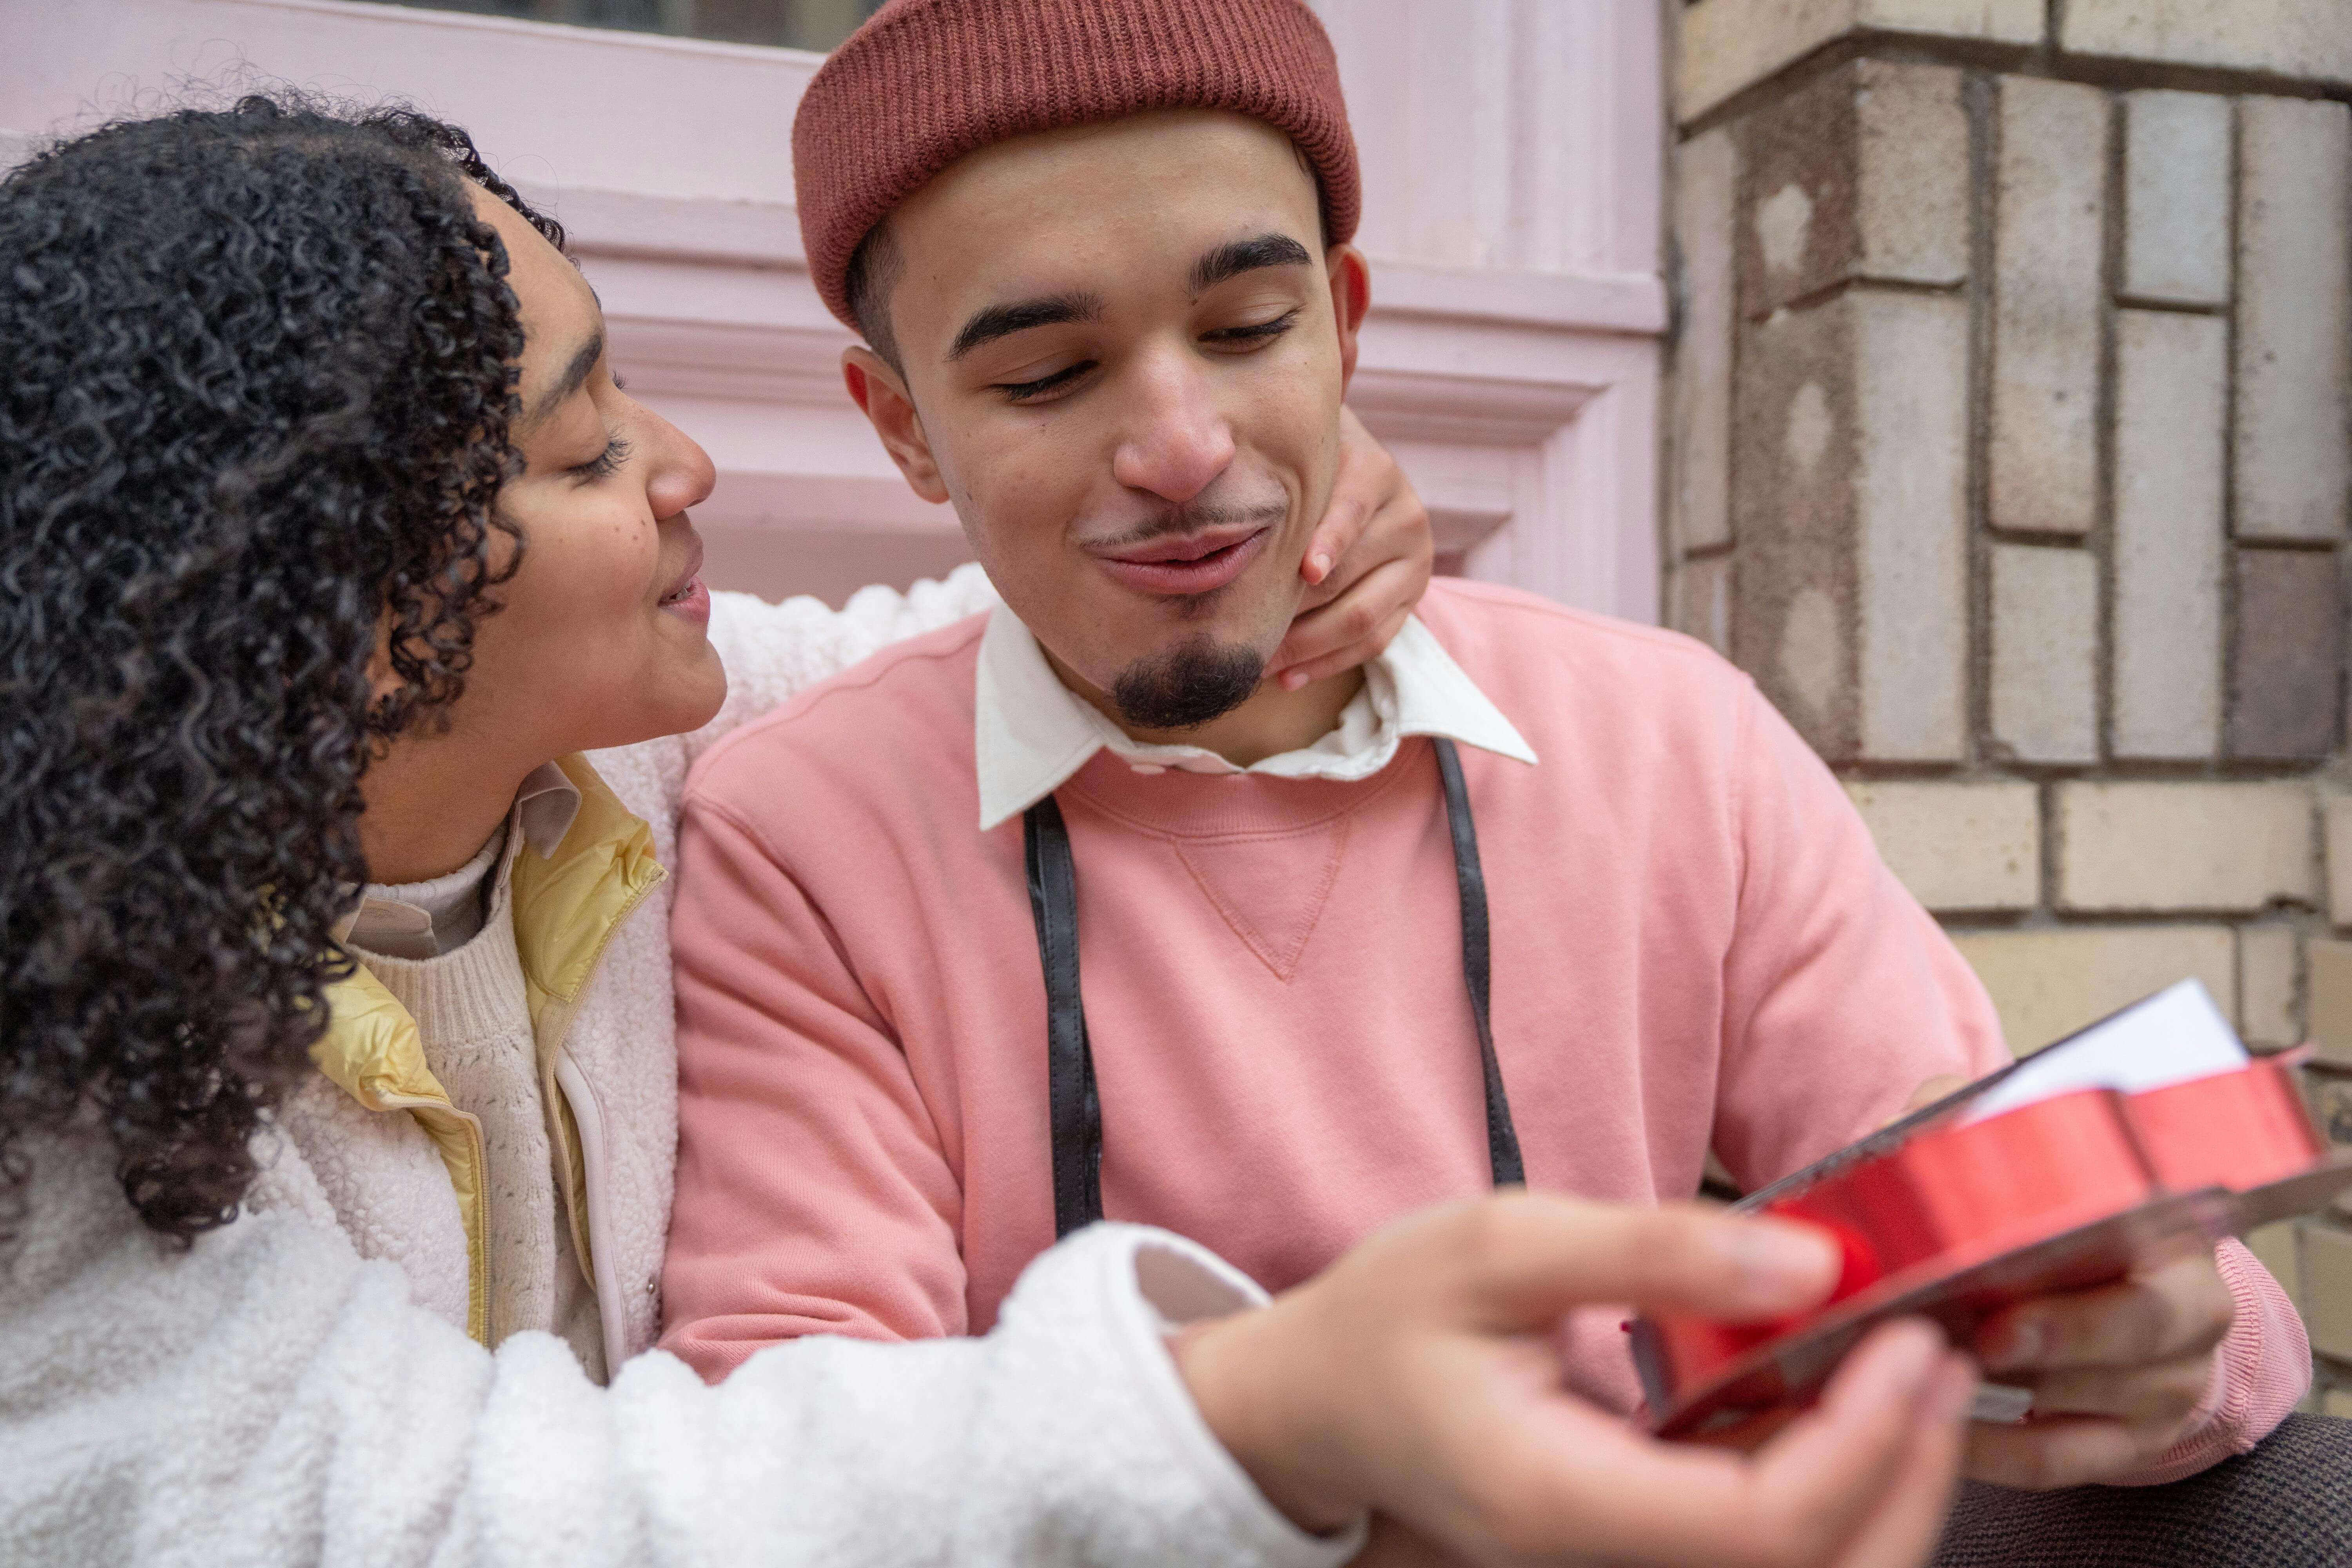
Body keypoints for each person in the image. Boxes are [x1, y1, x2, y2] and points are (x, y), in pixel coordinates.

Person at [0, 96, 1982, 1568]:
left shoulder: (647, 742)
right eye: (592, 445)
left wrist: (1255, 482)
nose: (687, 468)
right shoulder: (54, 1125)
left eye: (1262, 318)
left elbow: (987, 644)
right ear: (320, 624)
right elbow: (468, 1518)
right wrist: (1247, 1408)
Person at [656, 0, 2308, 1512]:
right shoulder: (807, 830)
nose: (1179, 447)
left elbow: (2046, 1207)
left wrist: (2165, 1329)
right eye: (1048, 372)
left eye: (1248, 328)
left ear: (1346, 322)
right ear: (897, 426)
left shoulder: (1668, 739)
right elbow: (807, 1442)